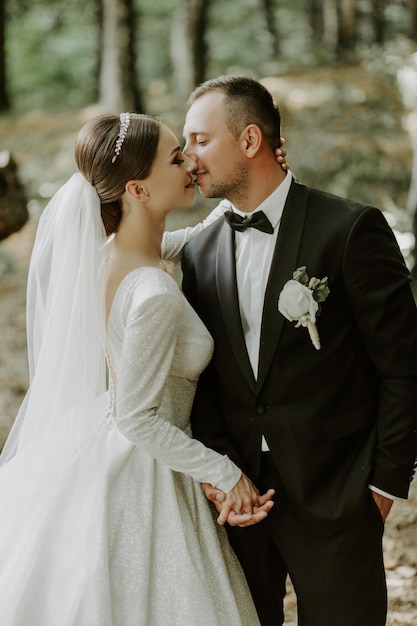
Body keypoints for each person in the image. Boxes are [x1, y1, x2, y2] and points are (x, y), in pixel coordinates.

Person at [0, 112, 286, 625]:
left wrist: (254, 183)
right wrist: (225, 473)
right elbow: (137, 417)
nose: (191, 164)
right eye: (177, 158)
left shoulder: (110, 257)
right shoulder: (152, 291)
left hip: (95, 449)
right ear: (137, 188)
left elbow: (189, 239)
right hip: (148, 473)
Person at [181, 75, 417, 626]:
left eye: (199, 140)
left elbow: (404, 367)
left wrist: (383, 485)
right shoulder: (198, 252)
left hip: (339, 493)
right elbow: (205, 379)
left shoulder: (350, 228)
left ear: (249, 140)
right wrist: (220, 477)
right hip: (240, 505)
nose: (188, 158)